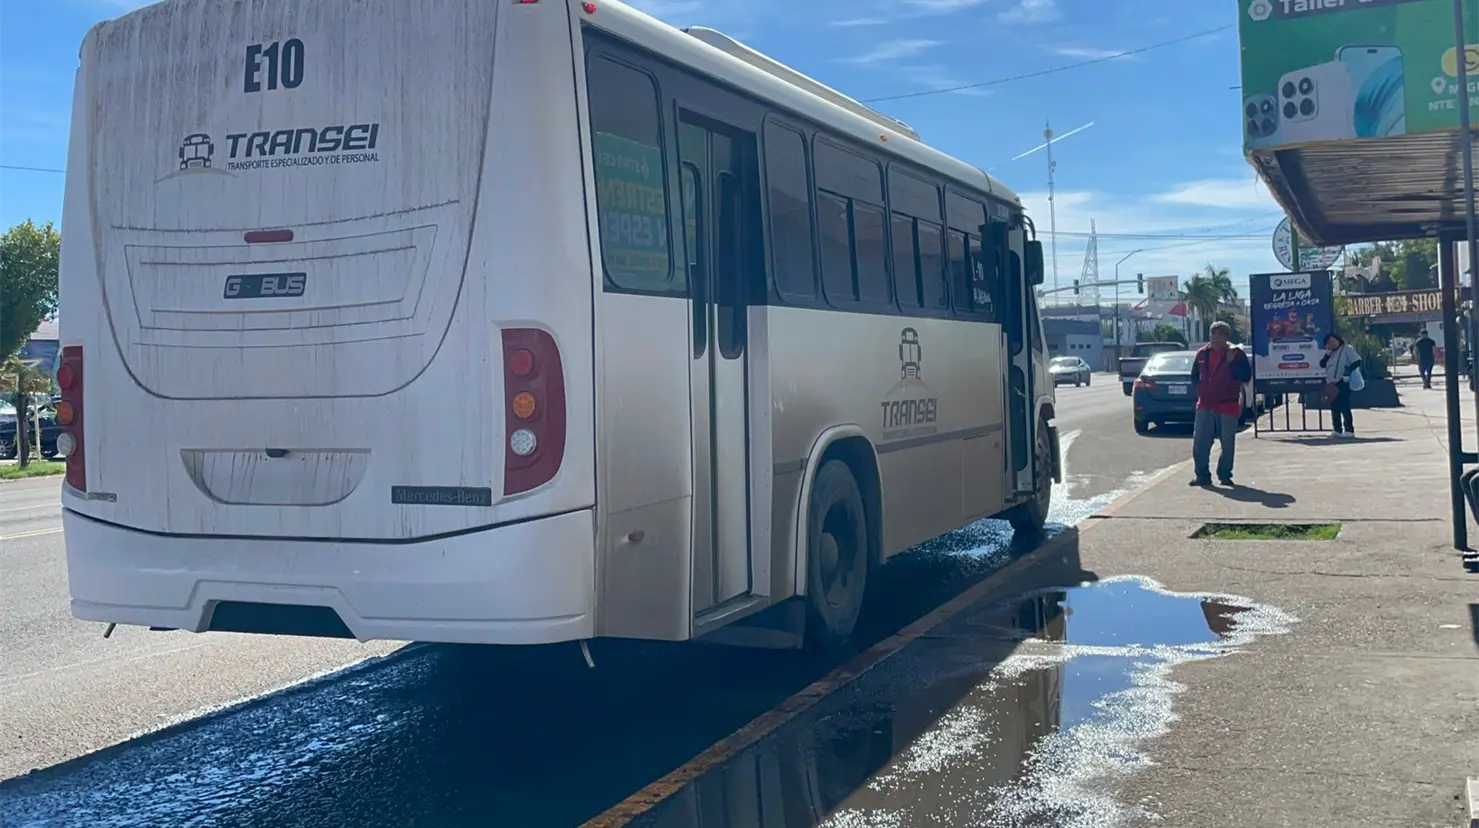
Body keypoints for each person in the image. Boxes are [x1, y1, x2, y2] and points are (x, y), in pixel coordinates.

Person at [1189, 321, 1252, 487]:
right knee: (1201, 441)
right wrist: (1200, 389)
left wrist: (1232, 363)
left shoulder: (1236, 354)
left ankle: (1224, 474)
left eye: (1220, 335)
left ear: (1227, 337)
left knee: (1227, 442)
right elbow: (1194, 376)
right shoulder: (1202, 354)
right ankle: (1202, 475)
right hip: (1205, 405)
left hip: (1227, 405)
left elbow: (1245, 377)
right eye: (1213, 334)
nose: (1215, 338)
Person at [1320, 333, 1362, 439]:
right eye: (1329, 342)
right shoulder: (1330, 353)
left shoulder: (1347, 349)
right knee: (1334, 406)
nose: (1332, 344)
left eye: (1333, 341)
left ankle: (1349, 429)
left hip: (1343, 381)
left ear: (1338, 340)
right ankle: (1337, 429)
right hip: (1331, 383)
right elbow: (1322, 364)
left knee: (1344, 405)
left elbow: (1357, 361)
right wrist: (1327, 354)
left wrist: (1347, 372)